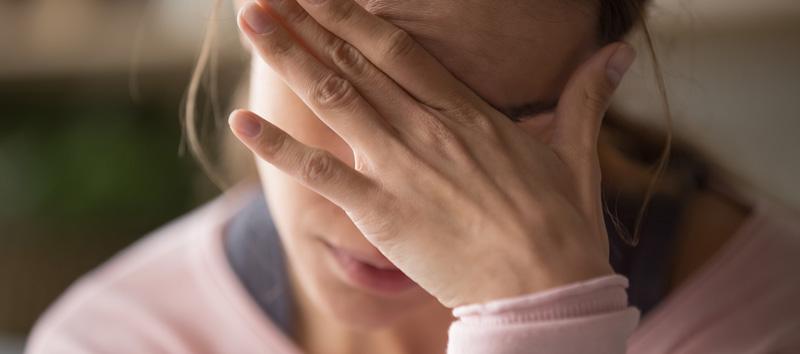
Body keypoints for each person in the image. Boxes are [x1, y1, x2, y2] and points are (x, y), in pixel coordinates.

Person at [27, 0, 800, 353]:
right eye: (351, 90)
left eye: (486, 129)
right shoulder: (117, 337)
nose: (387, 203)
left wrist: (544, 321)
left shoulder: (765, 320)